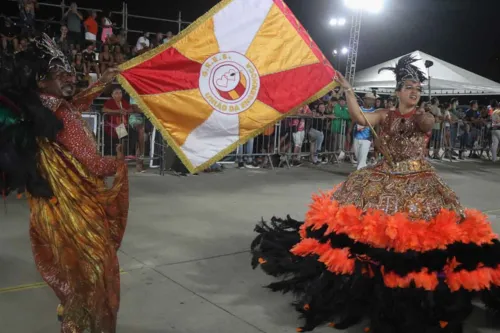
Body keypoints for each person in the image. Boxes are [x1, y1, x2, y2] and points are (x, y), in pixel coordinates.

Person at [251, 55, 500, 333]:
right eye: (408, 87)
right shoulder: (384, 115)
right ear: (397, 92)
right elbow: (358, 117)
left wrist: (427, 115)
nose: (414, 91)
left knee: (425, 231)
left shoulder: (421, 116)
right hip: (382, 174)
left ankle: (419, 283)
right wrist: (347, 90)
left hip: (419, 179)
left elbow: (427, 124)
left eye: (417, 87)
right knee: (365, 221)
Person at [1, 33, 128, 333]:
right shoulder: (63, 115)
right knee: (96, 273)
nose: (70, 79)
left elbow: (76, 100)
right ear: (43, 82)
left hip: (50, 210)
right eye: (61, 75)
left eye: (70, 72)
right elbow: (94, 163)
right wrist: (119, 162)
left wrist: (103, 81)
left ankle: (74, 317)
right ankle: (82, 324)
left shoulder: (36, 109)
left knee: (72, 274)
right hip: (76, 212)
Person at [353, 92, 376, 169]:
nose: (371, 102)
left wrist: (375, 138)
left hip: (367, 138)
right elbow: (353, 121)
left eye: (373, 100)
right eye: (370, 100)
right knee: (358, 157)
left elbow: (377, 125)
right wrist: (349, 132)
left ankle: (359, 173)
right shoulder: (359, 109)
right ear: (365, 100)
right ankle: (363, 170)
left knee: (362, 158)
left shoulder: (374, 111)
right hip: (356, 136)